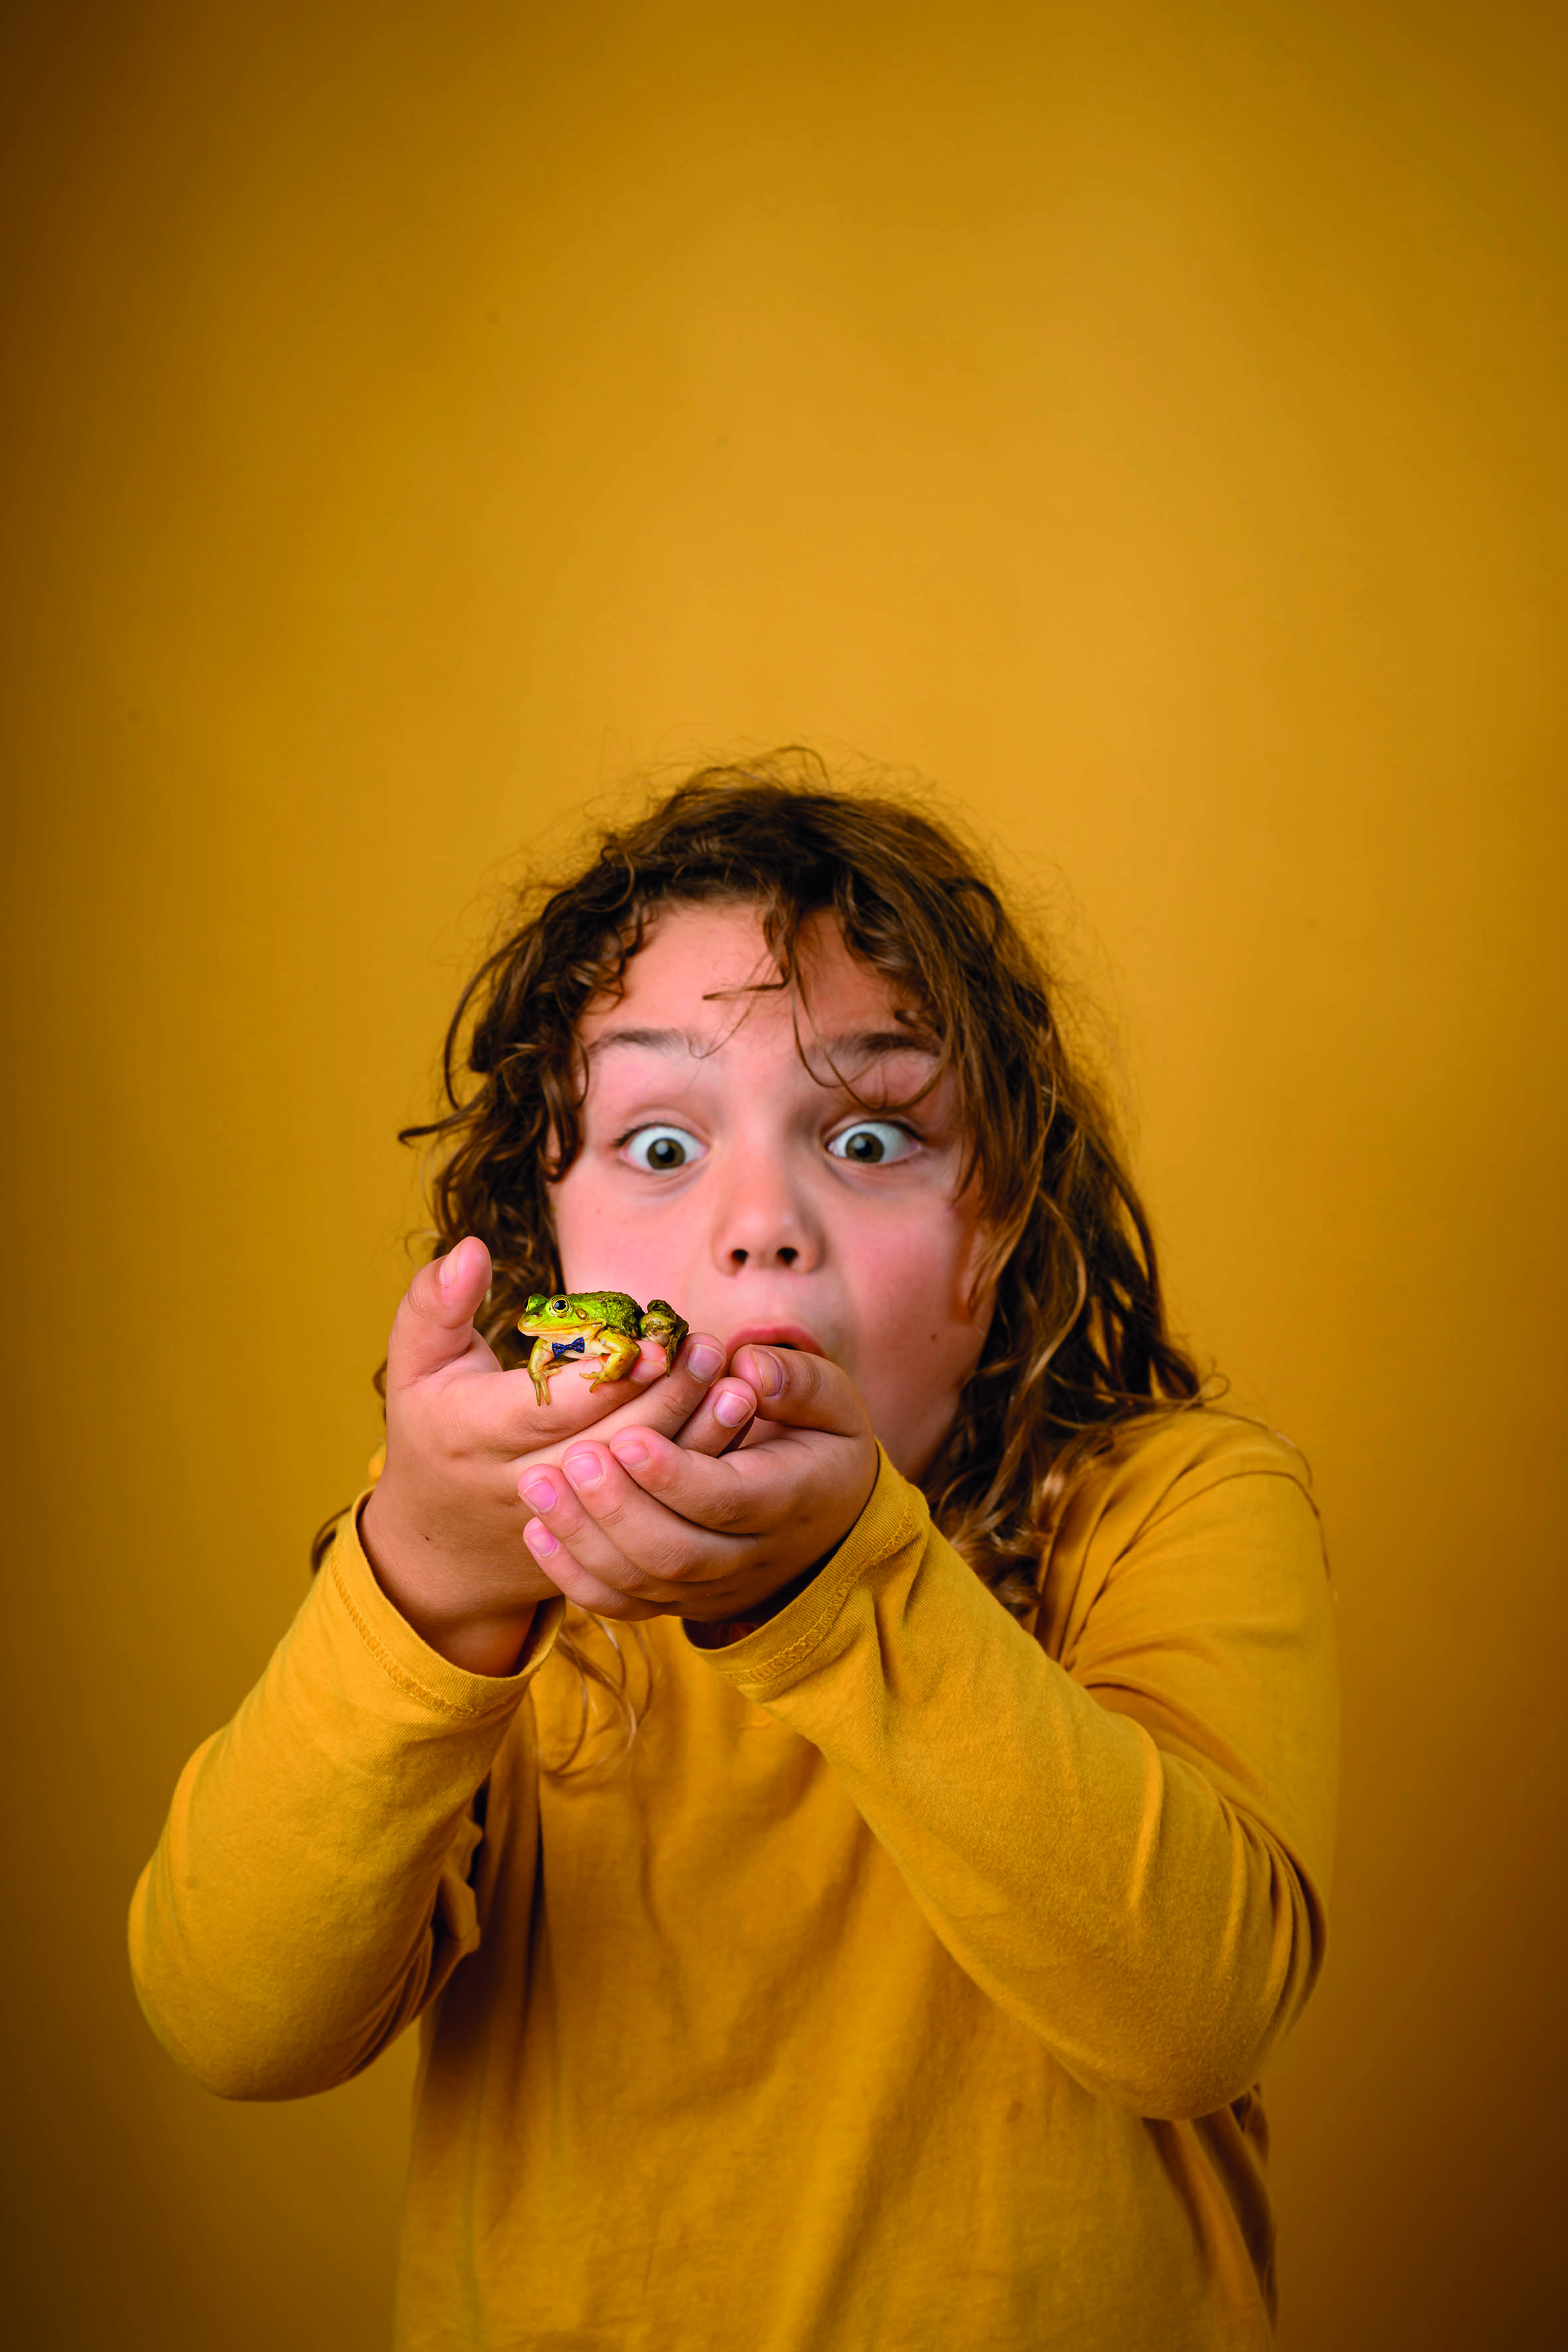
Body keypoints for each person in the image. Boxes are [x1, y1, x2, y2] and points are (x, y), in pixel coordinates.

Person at [129, 753, 1339, 2351]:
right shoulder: (504, 1568)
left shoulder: (1172, 1506)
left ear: (995, 1230)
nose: (756, 1223)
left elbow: (1195, 2015)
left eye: (864, 1141)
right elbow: (235, 2018)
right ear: (545, 1234)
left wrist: (835, 1586)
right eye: (657, 1147)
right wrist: (423, 1585)